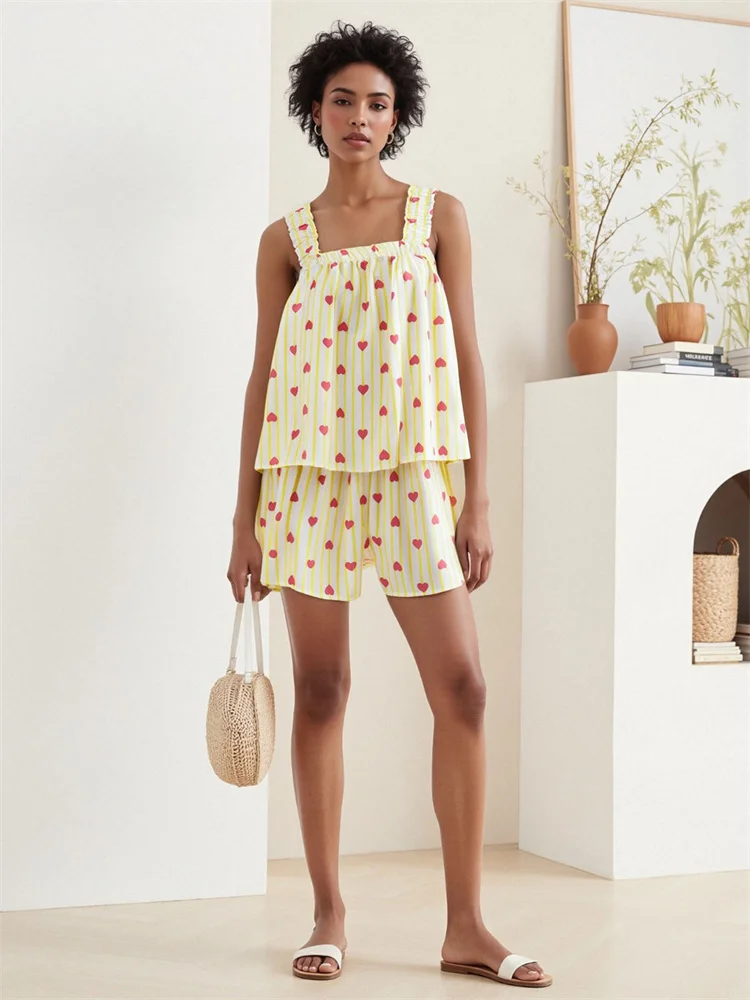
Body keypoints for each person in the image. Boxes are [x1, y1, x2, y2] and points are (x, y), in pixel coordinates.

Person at [227, 19, 552, 990]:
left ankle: (468, 927)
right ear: (315, 111)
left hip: (415, 473)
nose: (360, 117)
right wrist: (243, 518)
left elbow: (467, 355)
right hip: (307, 477)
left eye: (377, 103)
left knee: (465, 689)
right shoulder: (285, 240)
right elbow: (261, 378)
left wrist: (476, 496)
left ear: (397, 114)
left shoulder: (437, 217)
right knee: (322, 690)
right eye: (343, 100)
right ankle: (327, 913)